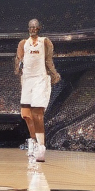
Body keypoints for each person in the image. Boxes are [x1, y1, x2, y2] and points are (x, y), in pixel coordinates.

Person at [15, 19, 60, 163]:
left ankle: (41, 147)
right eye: (31, 27)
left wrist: (54, 73)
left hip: (40, 78)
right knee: (26, 115)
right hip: (27, 79)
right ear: (28, 28)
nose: (33, 29)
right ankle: (33, 141)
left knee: (37, 113)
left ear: (39, 28)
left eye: (35, 27)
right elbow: (19, 60)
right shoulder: (23, 43)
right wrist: (17, 68)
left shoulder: (45, 41)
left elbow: (49, 60)